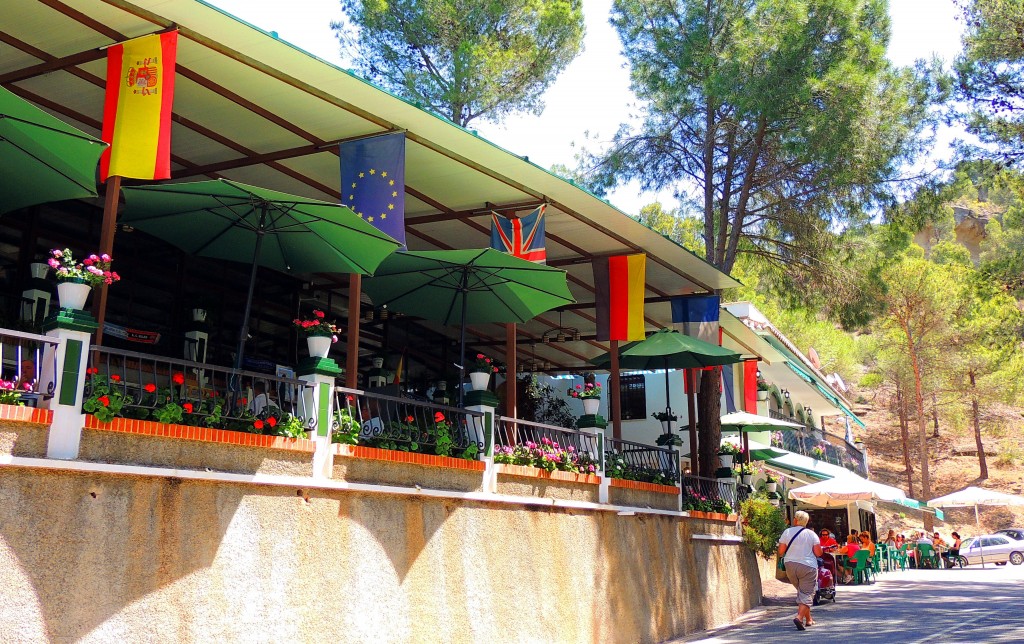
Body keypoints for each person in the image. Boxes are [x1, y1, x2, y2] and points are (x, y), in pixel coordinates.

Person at [778, 510, 823, 631]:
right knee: (807, 593)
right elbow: (818, 553)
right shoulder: (811, 534)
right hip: (808, 566)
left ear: (796, 520)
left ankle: (809, 619)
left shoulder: (787, 532)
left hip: (790, 566)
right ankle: (799, 617)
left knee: (802, 591)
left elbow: (781, 551)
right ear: (806, 521)